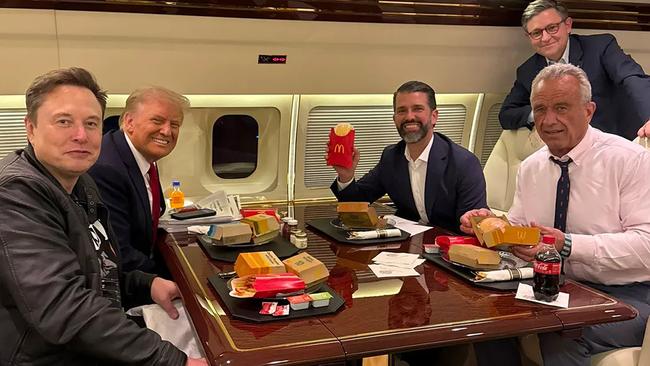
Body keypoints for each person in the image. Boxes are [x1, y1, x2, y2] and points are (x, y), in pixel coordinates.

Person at [0, 67, 206, 365]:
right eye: (64, 122)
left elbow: (100, 265)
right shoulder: (16, 194)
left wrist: (145, 283)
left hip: (89, 338)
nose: (81, 135)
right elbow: (64, 309)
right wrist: (173, 361)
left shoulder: (82, 184)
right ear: (30, 128)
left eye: (91, 123)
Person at [462, 63, 650, 366]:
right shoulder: (532, 167)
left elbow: (647, 248)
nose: (549, 121)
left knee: (559, 331)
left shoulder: (630, 161)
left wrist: (568, 245)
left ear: (589, 111)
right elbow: (523, 232)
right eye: (540, 109)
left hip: (632, 296)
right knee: (490, 320)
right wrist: (493, 227)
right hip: (558, 287)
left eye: (561, 108)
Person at [329, 80, 487, 233]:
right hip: (406, 245)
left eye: (418, 109)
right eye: (402, 110)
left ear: (434, 117)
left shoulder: (463, 163)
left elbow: (471, 226)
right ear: (394, 119)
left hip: (447, 248)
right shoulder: (391, 157)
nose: (409, 117)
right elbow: (356, 204)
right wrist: (346, 176)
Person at [499, 0, 650, 140]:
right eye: (537, 33)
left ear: (568, 25)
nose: (545, 38)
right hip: (568, 150)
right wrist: (542, 112)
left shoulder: (600, 47)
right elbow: (506, 115)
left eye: (552, 28)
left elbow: (633, 78)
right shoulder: (528, 70)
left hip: (618, 140)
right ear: (529, 37)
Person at [88, 87, 189, 275]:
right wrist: (179, 277)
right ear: (129, 122)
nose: (167, 131)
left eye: (174, 125)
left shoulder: (144, 158)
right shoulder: (108, 169)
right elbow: (118, 253)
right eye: (157, 121)